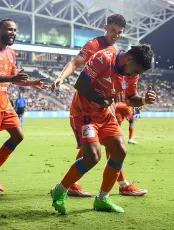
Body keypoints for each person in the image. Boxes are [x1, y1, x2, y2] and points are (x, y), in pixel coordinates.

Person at [50, 44, 155, 214]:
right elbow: (81, 84)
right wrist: (101, 100)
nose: (135, 75)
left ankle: (102, 199)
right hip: (83, 113)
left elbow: (130, 99)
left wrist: (144, 100)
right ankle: (60, 190)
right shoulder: (104, 58)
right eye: (135, 71)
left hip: (105, 114)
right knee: (92, 156)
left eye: (138, 74)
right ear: (129, 58)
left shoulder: (131, 73)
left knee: (120, 150)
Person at [0, 18, 47, 198]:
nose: (13, 33)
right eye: (9, 29)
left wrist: (31, 83)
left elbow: (15, 78)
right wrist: (12, 79)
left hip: (4, 103)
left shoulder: (11, 53)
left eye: (15, 30)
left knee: (18, 135)